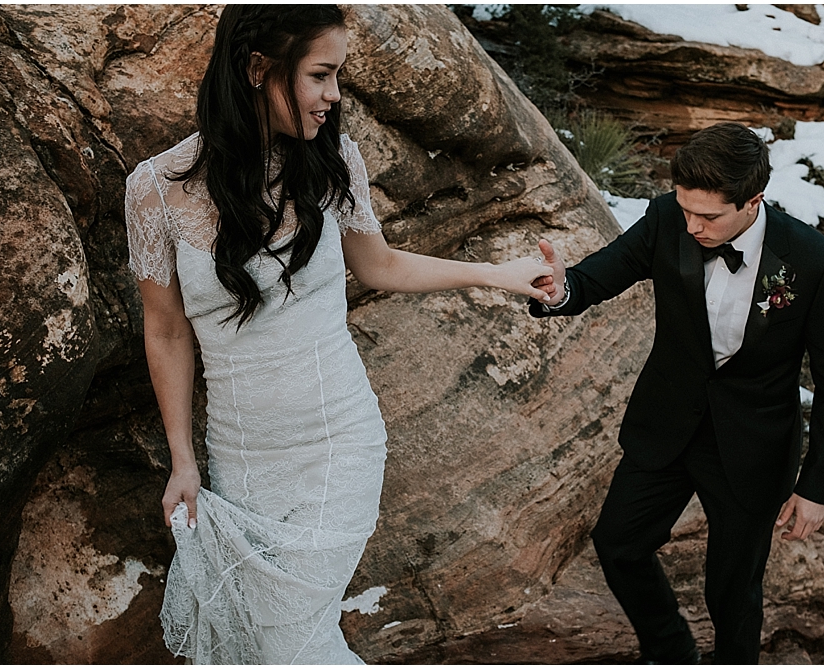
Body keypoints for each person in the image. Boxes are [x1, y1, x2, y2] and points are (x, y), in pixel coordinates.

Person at [124, 5, 554, 664]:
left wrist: (500, 273)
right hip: (241, 465)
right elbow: (167, 331)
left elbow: (380, 265)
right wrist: (184, 460)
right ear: (257, 68)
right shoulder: (154, 190)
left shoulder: (334, 160)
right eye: (321, 75)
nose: (334, 96)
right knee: (272, 645)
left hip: (338, 447)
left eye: (338, 76)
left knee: (289, 645)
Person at [528, 122, 824, 664]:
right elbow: (597, 279)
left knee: (732, 590)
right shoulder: (667, 218)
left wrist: (818, 485)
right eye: (686, 209)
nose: (692, 225)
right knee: (619, 545)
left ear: (753, 200)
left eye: (708, 216)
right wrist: (560, 288)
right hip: (666, 423)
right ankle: (669, 649)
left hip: (752, 445)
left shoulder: (813, 260)